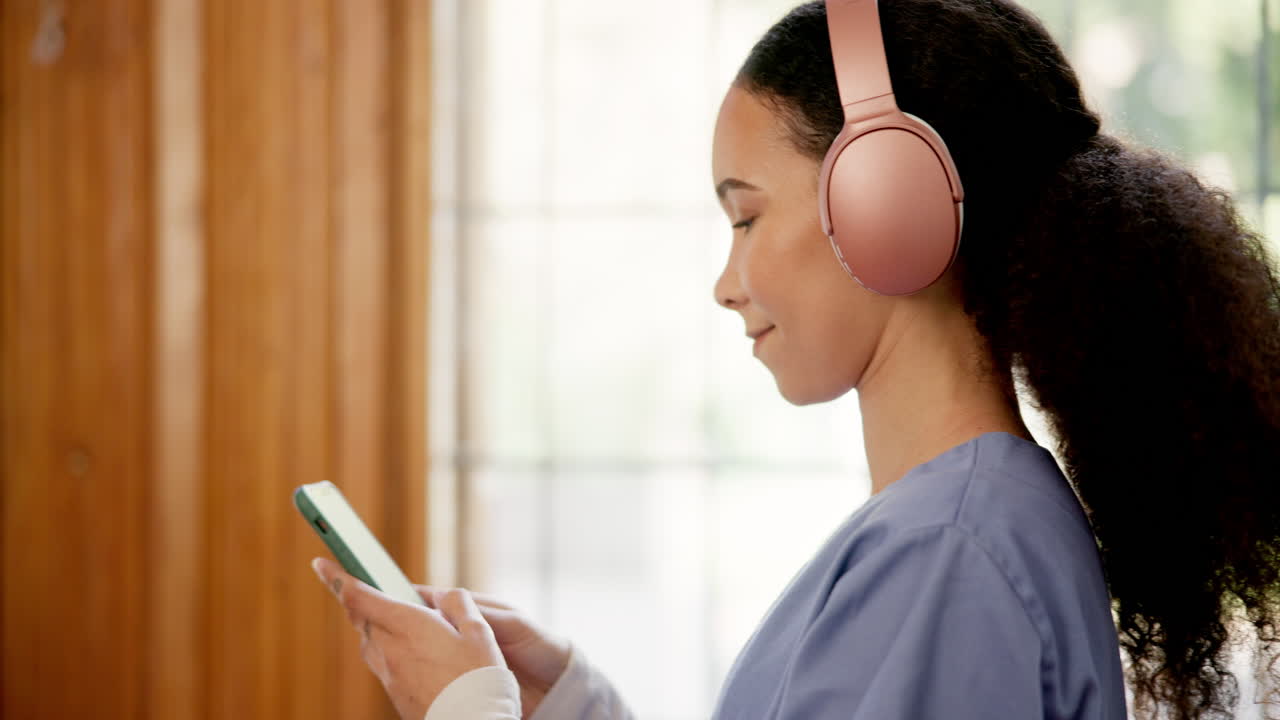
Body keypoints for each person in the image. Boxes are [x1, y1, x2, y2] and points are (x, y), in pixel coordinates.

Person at [309, 0, 1280, 717]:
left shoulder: (952, 554)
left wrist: (467, 710)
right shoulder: (954, 529)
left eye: (745, 216)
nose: (725, 283)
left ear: (885, 203)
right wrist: (566, 704)